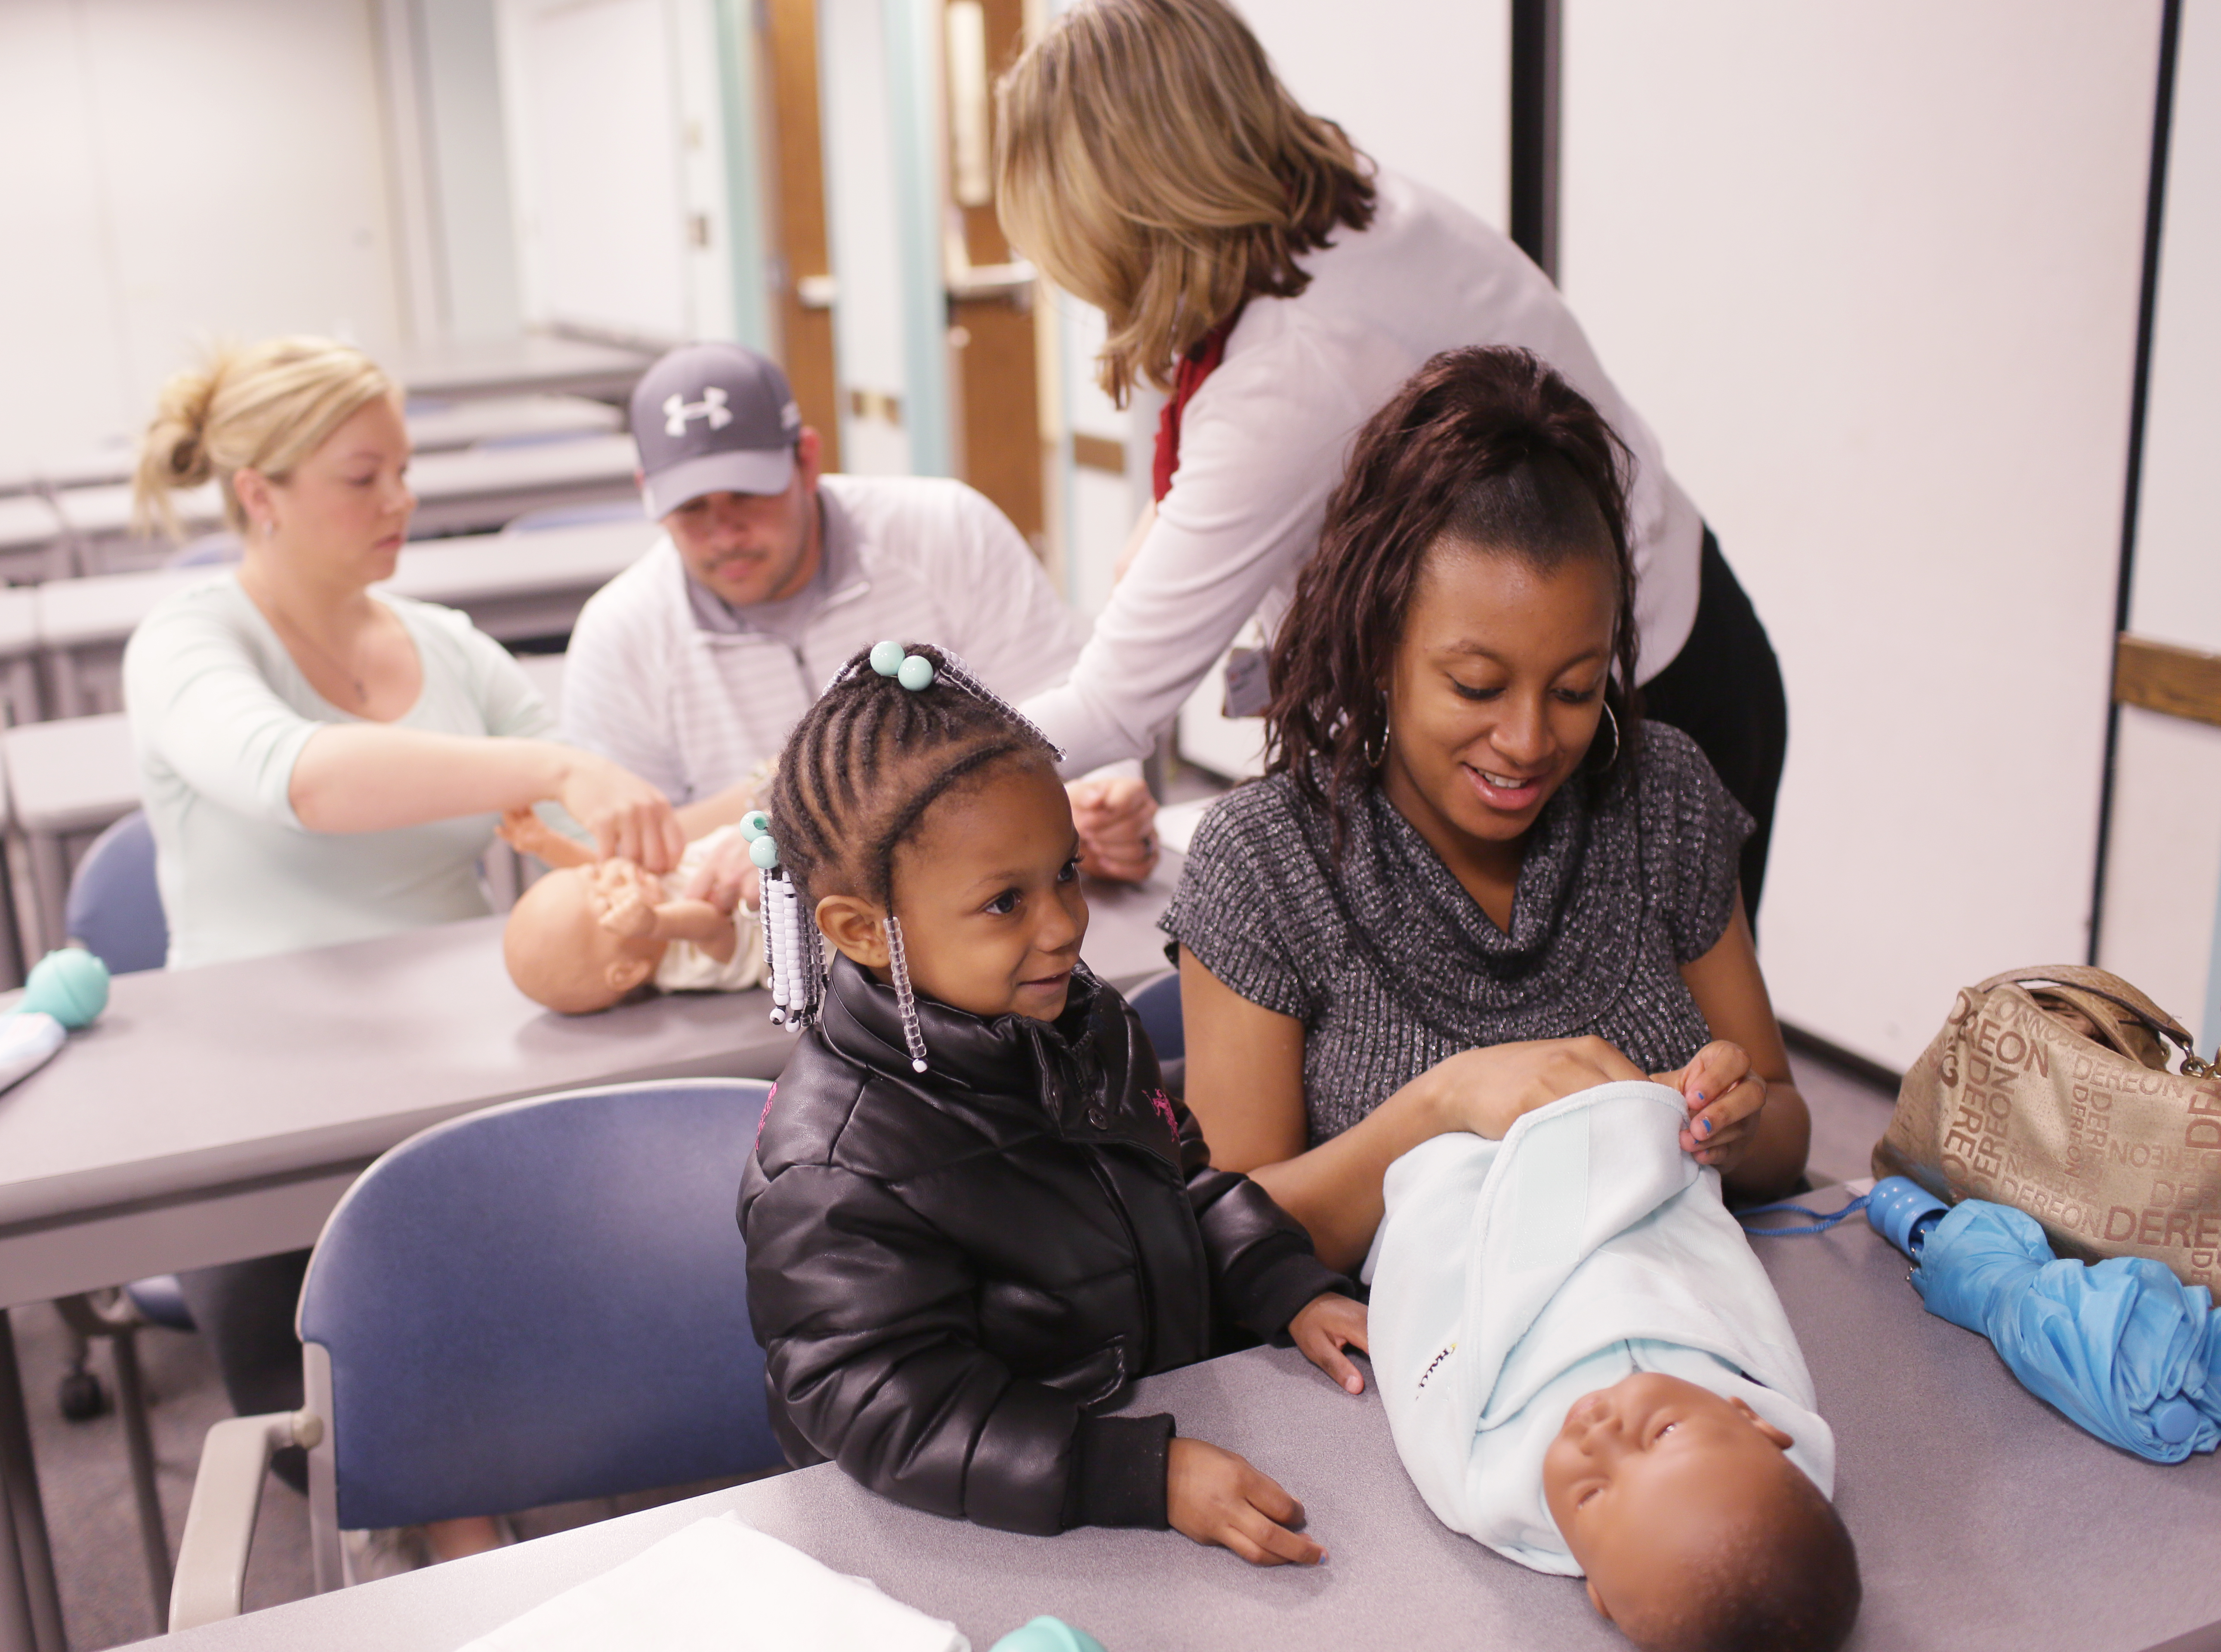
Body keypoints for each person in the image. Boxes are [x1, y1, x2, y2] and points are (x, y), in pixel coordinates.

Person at [996, 0, 1787, 921]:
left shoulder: (1294, 368)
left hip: (1626, 717)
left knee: (1638, 1055)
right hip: (1662, 642)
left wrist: (906, 776)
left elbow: (1112, 706)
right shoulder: (1329, 207)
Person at [124, 336, 686, 1567]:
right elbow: (302, 779)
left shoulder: (448, 645)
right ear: (258, 493)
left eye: (405, 472)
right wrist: (551, 764)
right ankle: (470, 1556)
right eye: (362, 476)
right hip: (261, 1124)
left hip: (461, 1082)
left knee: (617, 1315)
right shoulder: (186, 642)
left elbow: (615, 827)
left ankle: (491, 1547)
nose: (402, 502)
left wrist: (738, 826)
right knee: (422, 1402)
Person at [1163, 347, 1812, 1274]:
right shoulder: (1268, 861)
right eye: (1476, 686)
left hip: (1671, 1338)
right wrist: (1445, 1101)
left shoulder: (1658, 795)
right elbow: (1231, 1238)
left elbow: (1786, 1121)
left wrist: (1737, 1124)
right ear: (1378, 645)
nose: (1528, 742)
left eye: (1577, 690)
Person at [738, 642, 1370, 1565]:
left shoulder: (1085, 1021)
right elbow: (895, 1415)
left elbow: (1180, 1184)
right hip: (991, 1544)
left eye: (1065, 872)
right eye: (1005, 903)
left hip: (1151, 1465)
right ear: (861, 932)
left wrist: (1286, 1285)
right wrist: (1139, 1475)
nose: (1065, 924)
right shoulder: (832, 1173)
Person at [555, 341, 1160, 900]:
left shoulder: (948, 533)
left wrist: (1101, 807)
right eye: (691, 509)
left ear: (807, 461)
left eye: (747, 494)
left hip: (990, 907)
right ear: (648, 496)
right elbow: (624, 868)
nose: (725, 533)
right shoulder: (621, 634)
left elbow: (1063, 717)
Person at [1368, 1079, 1860, 1652]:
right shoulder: (1764, 1404)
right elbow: (1718, 1268)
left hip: (1471, 1191)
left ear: (1597, 1589)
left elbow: (1424, 1341)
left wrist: (1450, 1176)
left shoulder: (1490, 1487)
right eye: (1664, 1432)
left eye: (1593, 1495)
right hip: (1620, 1169)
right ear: (1753, 1420)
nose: (1598, 1434)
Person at [496, 811, 762, 1014]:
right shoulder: (682, 965)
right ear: (628, 971)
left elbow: (591, 874)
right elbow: (714, 924)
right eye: (609, 904)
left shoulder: (647, 890)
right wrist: (657, 923)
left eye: (597, 875)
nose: (614, 878)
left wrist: (547, 844)